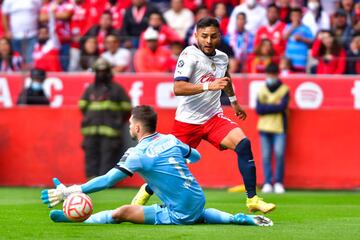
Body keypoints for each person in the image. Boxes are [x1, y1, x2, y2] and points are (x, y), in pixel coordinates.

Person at [132, 17, 276, 214]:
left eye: (213, 36)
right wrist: (209, 85)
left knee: (243, 144)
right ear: (196, 36)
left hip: (213, 118)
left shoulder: (222, 57)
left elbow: (226, 80)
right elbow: (178, 87)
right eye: (204, 36)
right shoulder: (188, 55)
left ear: (219, 36)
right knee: (170, 166)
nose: (208, 41)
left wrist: (234, 102)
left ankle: (252, 199)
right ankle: (145, 191)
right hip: (187, 122)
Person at [40, 105, 273, 227]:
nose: (130, 127)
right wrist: (177, 162)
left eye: (131, 124)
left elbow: (107, 181)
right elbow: (197, 157)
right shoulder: (171, 140)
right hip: (197, 198)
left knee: (122, 212)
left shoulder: (137, 154)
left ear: (138, 128)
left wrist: (71, 190)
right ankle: (234, 218)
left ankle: (78, 219)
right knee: (197, 214)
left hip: (179, 210)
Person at [78, 58, 131, 179]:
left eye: (104, 71)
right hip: (90, 131)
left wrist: (115, 118)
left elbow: (126, 107)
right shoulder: (90, 89)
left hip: (110, 131)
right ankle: (91, 180)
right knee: (90, 156)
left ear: (108, 72)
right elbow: (82, 105)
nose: (101, 74)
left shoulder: (117, 89)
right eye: (98, 71)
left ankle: (104, 182)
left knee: (107, 157)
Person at [255, 63, 290, 194]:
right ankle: (268, 182)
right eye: (268, 75)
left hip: (279, 127)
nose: (270, 77)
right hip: (264, 127)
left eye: (272, 75)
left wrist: (267, 106)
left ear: (277, 75)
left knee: (279, 154)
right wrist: (274, 105)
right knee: (266, 156)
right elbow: (259, 109)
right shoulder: (262, 89)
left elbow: (282, 107)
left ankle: (279, 182)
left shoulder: (284, 89)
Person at [283, 7, 313, 73]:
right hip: (289, 60)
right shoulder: (287, 26)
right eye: (294, 15)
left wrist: (302, 39)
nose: (296, 17)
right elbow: (284, 37)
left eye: (298, 15)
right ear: (291, 17)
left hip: (301, 60)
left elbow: (312, 41)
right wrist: (293, 27)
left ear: (301, 16)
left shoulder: (306, 28)